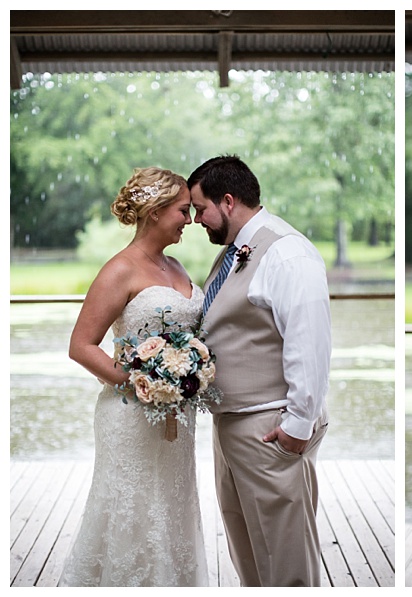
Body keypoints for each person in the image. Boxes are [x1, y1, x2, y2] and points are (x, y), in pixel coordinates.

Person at [59, 167, 208, 586]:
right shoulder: (120, 270)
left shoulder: (176, 265)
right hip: (130, 415)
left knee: (173, 508)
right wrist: (140, 382)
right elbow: (81, 345)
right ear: (156, 211)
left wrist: (187, 373)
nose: (191, 220)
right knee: (133, 509)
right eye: (183, 210)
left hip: (178, 419)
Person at [188, 155, 331, 587]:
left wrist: (297, 426)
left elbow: (309, 343)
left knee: (286, 563)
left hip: (270, 428)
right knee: (249, 554)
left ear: (228, 201)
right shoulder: (235, 252)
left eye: (200, 208)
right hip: (233, 426)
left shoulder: (288, 253)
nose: (196, 220)